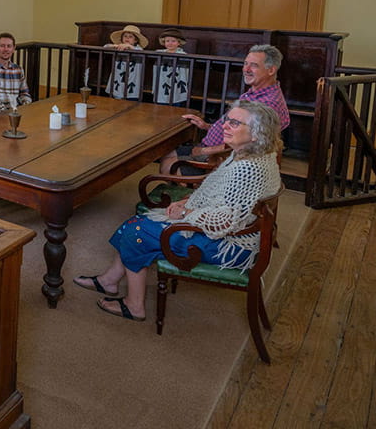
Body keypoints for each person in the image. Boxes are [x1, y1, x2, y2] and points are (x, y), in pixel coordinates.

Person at [74, 100, 282, 321]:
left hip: (231, 246)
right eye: (227, 119)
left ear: (256, 135)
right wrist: (188, 202)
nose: (225, 125)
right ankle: (109, 281)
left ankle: (134, 305)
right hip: (242, 232)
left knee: (136, 232)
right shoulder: (251, 154)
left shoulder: (248, 169)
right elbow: (220, 193)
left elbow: (223, 223)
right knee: (136, 222)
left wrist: (185, 214)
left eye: (235, 123)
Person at [159, 44, 289, 174]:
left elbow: (246, 146)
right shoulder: (256, 92)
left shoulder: (267, 104)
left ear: (271, 70)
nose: (246, 69)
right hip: (211, 147)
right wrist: (207, 126)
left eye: (254, 65)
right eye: (245, 64)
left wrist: (202, 151)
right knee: (166, 152)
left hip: (218, 158)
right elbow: (238, 128)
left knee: (168, 164)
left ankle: (186, 192)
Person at [0, 32, 33, 113]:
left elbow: (24, 93)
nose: (6, 49)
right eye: (2, 46)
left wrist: (25, 106)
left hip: (15, 112)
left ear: (13, 49)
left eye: (9, 46)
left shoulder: (18, 69)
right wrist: (5, 112)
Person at [103, 25, 147, 100]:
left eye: (130, 37)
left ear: (135, 40)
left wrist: (129, 47)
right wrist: (115, 46)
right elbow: (105, 47)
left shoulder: (138, 49)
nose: (127, 38)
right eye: (125, 36)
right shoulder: (118, 48)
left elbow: (141, 52)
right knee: (116, 97)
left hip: (132, 79)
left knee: (131, 99)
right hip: (118, 78)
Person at [152, 28, 189, 106]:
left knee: (176, 100)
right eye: (167, 41)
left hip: (176, 82)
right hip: (162, 81)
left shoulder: (183, 54)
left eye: (173, 41)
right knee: (160, 102)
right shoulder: (159, 53)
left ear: (179, 43)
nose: (170, 43)